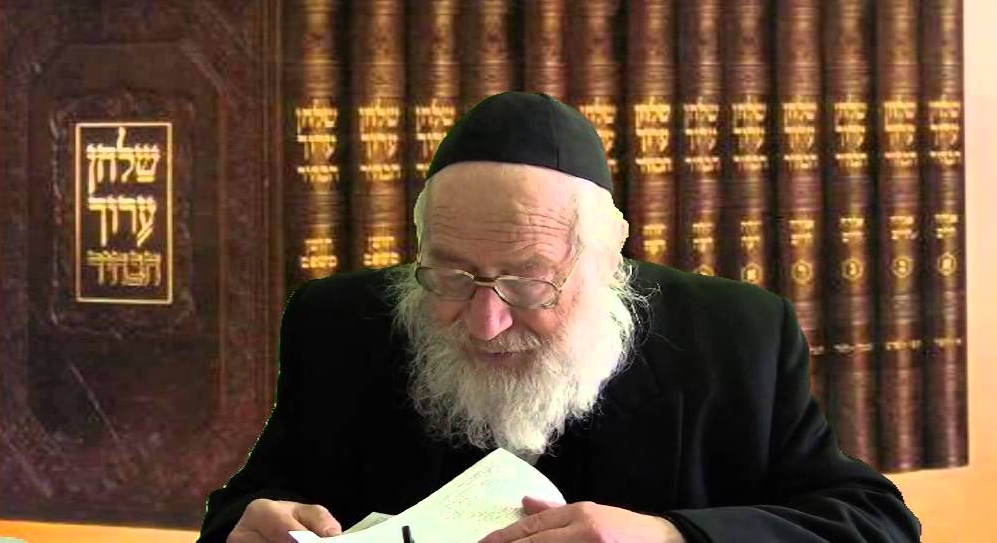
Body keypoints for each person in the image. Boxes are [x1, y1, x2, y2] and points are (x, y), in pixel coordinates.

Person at [199, 92, 921, 543]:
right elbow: (248, 505)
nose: (485, 320)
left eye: (527, 282)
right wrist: (245, 527)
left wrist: (670, 538)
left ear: (604, 263)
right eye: (452, 276)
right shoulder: (337, 324)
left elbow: (876, 523)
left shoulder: (734, 336)